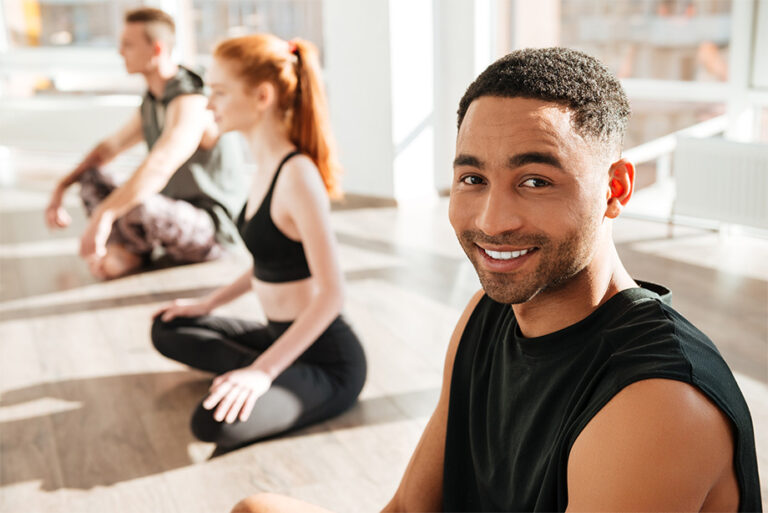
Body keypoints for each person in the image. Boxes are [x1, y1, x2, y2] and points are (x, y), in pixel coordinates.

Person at [231, 48, 762, 512]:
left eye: (535, 181)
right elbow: (411, 508)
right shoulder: (487, 315)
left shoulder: (658, 403)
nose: (491, 220)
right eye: (473, 179)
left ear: (615, 190)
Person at [150, 34, 366, 451]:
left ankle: (262, 374)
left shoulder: (298, 175)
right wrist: (205, 305)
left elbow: (332, 293)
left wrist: (261, 373)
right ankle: (258, 371)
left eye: (218, 92)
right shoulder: (263, 165)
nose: (208, 103)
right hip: (277, 335)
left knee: (210, 424)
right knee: (167, 327)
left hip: (327, 361)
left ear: (262, 95)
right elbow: (269, 262)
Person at [44, 7, 246, 279]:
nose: (120, 52)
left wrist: (103, 216)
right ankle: (127, 251)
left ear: (157, 49)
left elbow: (160, 164)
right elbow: (108, 149)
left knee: (137, 201)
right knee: (92, 177)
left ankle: (127, 251)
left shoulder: (191, 100)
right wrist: (61, 186)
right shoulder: (155, 99)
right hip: (172, 214)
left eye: (128, 45)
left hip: (212, 232)